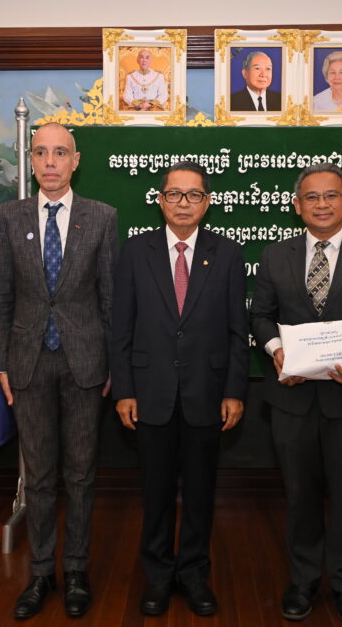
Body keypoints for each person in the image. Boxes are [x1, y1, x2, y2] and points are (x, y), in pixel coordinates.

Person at [250, 163, 342, 625]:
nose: (322, 204)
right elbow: (261, 316)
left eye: (331, 195)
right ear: (297, 205)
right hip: (292, 401)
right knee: (299, 496)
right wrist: (277, 351)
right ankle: (302, 581)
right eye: (312, 197)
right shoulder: (275, 255)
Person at [0, 122, 118, 620]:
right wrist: (0, 362)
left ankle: (77, 570)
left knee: (81, 474)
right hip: (27, 363)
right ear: (31, 159)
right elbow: (2, 295)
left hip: (85, 363)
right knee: (39, 476)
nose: (50, 162)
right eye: (41, 152)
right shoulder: (9, 217)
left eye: (60, 152)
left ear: (75, 160)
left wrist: (112, 363)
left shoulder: (101, 217)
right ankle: (42, 572)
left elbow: (109, 298)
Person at [111, 161, 249, 617]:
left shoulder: (227, 253)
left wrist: (235, 391)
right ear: (160, 200)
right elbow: (121, 328)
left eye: (193, 195)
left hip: (207, 393)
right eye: (174, 194)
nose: (183, 203)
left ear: (207, 202)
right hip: (149, 392)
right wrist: (124, 389)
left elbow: (237, 330)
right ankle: (157, 576)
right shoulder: (135, 251)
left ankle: (193, 574)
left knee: (200, 493)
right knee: (155, 493)